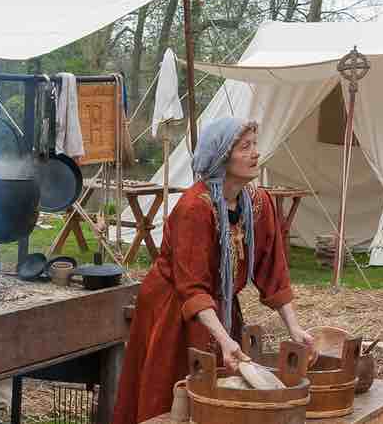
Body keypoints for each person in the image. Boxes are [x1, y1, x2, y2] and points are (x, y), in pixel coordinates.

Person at [112, 117, 315, 423]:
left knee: (217, 389)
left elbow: (273, 271)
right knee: (169, 391)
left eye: (255, 145)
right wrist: (224, 338)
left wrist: (294, 328)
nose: (255, 153)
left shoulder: (258, 203)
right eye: (245, 147)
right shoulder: (195, 208)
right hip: (173, 309)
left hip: (218, 308)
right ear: (222, 156)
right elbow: (191, 287)